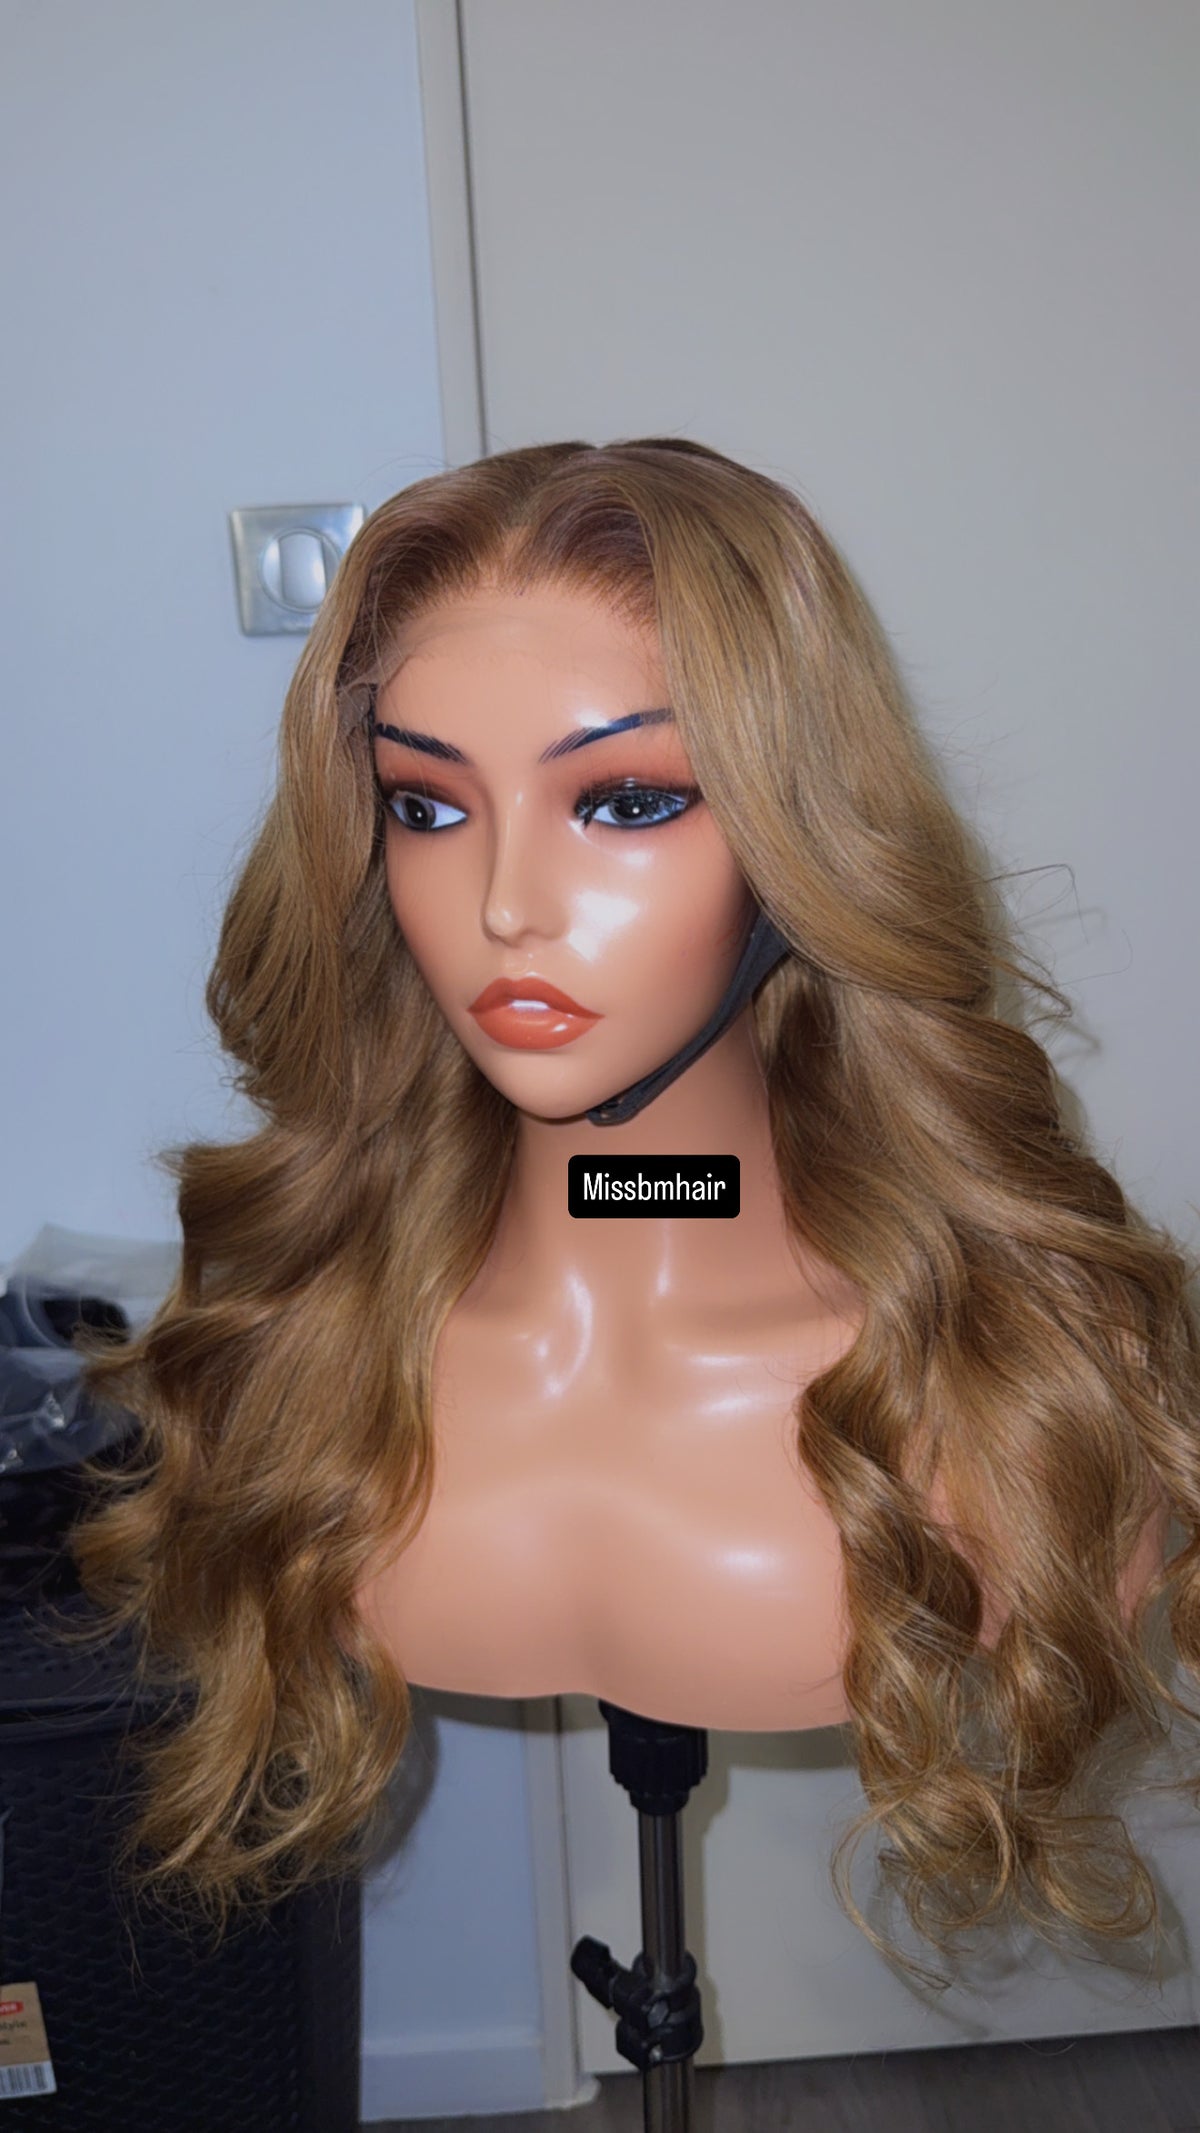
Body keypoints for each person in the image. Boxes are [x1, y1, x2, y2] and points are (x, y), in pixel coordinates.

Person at [70, 438, 1200, 1981]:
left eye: (625, 799)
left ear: (798, 843)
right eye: (427, 805)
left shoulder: (1013, 1396)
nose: (505, 905)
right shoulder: (296, 1347)